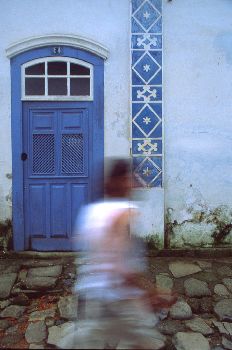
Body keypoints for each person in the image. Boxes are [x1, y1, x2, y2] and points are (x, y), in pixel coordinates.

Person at [59, 158, 176, 349]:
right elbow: (121, 266)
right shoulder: (123, 214)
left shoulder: (91, 211)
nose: (134, 183)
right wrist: (151, 293)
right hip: (116, 299)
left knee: (90, 338)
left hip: (90, 294)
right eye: (129, 178)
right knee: (140, 341)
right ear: (119, 182)